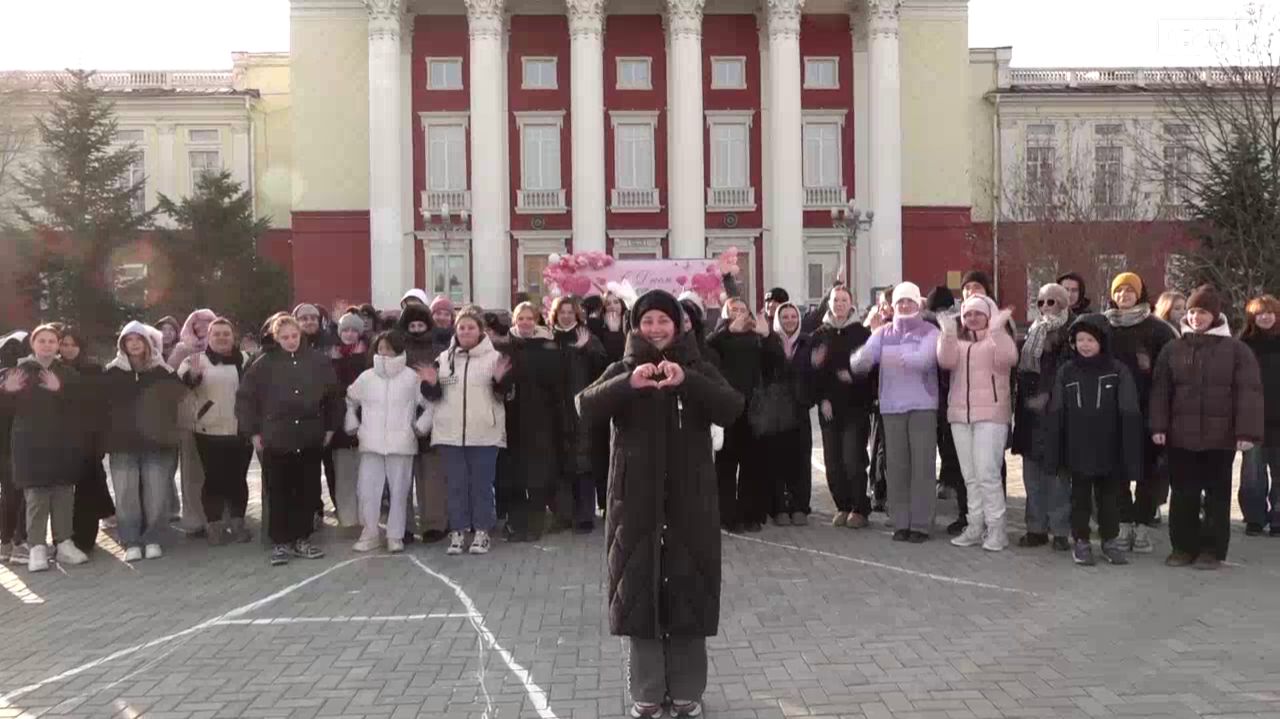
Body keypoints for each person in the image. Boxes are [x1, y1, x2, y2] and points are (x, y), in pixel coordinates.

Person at [577, 290, 743, 719]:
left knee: (689, 588)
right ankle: (647, 692)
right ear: (636, 326)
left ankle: (687, 691)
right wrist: (627, 384)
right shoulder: (623, 367)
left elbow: (731, 407)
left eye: (663, 321)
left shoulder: (697, 364)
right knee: (640, 591)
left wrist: (688, 381)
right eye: (647, 321)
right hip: (635, 502)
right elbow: (585, 406)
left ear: (679, 325)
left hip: (691, 500)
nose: (655, 329)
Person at [1150, 286, 1263, 569]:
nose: (1196, 317)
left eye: (1202, 312)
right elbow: (1160, 391)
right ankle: (1182, 548)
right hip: (1180, 435)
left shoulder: (1236, 350)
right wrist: (1158, 426)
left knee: (1216, 495)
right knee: (1183, 494)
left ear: (1215, 315)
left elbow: (1249, 392)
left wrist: (1246, 432)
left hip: (1220, 438)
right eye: (1191, 312)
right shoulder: (1173, 348)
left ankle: (1212, 550)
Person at [236, 314, 342, 566]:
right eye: (285, 337)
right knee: (279, 492)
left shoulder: (317, 361)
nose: (291, 341)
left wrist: (330, 428)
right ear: (276, 338)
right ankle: (280, 542)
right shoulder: (263, 364)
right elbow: (245, 400)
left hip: (309, 437)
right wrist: (253, 433)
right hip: (277, 438)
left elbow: (334, 396)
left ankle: (302, 539)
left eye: (294, 336)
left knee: (307, 490)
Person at [1041, 315, 1141, 566]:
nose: (1085, 345)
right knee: (1080, 499)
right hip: (1077, 448)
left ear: (1102, 342)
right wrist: (1055, 448)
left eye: (1090, 340)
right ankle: (1081, 541)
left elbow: (1129, 410)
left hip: (1109, 447)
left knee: (1109, 500)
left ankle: (1109, 541)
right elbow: (1056, 411)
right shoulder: (1067, 371)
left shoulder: (1117, 370)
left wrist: (1128, 448)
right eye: (1080, 340)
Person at [852, 282, 940, 541]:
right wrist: (866, 347)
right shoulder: (883, 333)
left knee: (922, 467)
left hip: (922, 406)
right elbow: (860, 362)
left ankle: (921, 524)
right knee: (897, 467)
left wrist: (891, 354)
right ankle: (901, 522)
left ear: (918, 304)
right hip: (891, 407)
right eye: (900, 301)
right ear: (893, 305)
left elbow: (923, 360)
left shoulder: (930, 331)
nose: (904, 305)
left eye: (909, 301)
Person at [419, 309, 511, 555]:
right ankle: (458, 532)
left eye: (471, 327)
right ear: (455, 331)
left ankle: (481, 532)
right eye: (462, 328)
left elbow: (505, 394)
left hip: (484, 433)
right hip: (449, 434)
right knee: (455, 486)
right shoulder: (444, 359)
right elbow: (434, 396)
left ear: (480, 331)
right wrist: (430, 384)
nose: (466, 331)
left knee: (481, 486)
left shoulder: (494, 358)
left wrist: (500, 381)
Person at [0, 325, 86, 572]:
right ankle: (36, 547)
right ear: (33, 344)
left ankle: (64, 543)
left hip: (62, 442)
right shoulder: (19, 372)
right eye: (42, 340)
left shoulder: (68, 373)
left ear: (58, 345)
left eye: (51, 341)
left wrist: (61, 390)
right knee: (36, 496)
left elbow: (81, 406)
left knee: (63, 493)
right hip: (29, 443)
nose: (47, 345)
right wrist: (6, 392)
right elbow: (6, 412)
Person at [1103, 271, 1177, 553]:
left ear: (1140, 293)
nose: (1124, 296)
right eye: (1119, 291)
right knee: (1117, 471)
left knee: (1149, 472)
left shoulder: (1159, 330)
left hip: (1148, 412)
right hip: (1112, 412)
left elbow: (1170, 374)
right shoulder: (1103, 325)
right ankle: (1123, 523)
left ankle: (1143, 525)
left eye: (1130, 291)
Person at [937, 295, 1018, 551]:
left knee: (987, 475)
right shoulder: (958, 343)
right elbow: (945, 361)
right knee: (970, 477)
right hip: (960, 416)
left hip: (991, 416)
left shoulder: (997, 339)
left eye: (978, 313)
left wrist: (997, 329)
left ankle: (997, 529)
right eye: (967, 314)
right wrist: (947, 334)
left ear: (988, 315)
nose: (972, 318)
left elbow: (1009, 358)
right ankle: (975, 525)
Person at [101, 322, 185, 563]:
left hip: (157, 445)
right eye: (129, 340)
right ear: (123, 344)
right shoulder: (112, 372)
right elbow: (102, 409)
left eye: (139, 339)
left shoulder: (163, 371)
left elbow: (178, 403)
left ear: (148, 343)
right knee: (126, 495)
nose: (135, 344)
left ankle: (153, 538)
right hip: (123, 445)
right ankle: (131, 541)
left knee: (156, 494)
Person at [346, 331, 428, 553]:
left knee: (400, 492)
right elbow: (350, 400)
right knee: (367, 491)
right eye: (381, 348)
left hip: (401, 443)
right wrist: (353, 422)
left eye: (389, 348)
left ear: (398, 350)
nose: (384, 352)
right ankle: (370, 533)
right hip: (371, 442)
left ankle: (395, 535)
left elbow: (429, 404)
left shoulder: (411, 377)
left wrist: (420, 426)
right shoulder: (366, 377)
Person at [177, 318, 254, 545]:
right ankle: (214, 526)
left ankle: (238, 524)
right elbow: (183, 384)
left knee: (238, 480)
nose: (221, 337)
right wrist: (194, 376)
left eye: (226, 333)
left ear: (233, 336)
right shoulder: (194, 360)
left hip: (241, 430)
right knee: (213, 480)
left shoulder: (247, 360)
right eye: (216, 334)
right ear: (208, 337)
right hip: (209, 430)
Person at [1011, 284, 1074, 550]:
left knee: (1057, 478)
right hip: (1030, 414)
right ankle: (1035, 528)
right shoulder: (1032, 332)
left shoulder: (1070, 334)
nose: (1045, 307)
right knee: (1031, 476)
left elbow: (1067, 372)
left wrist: (1047, 395)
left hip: (1056, 415)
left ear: (1064, 304)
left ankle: (1060, 531)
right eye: (1041, 302)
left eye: (1052, 302)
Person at [807, 286, 874, 528]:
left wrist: (853, 378)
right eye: (836, 300)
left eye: (844, 300)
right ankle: (842, 505)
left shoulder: (862, 333)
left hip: (855, 407)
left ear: (851, 304)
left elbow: (871, 370)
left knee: (853, 459)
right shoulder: (819, 334)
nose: (839, 304)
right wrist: (821, 398)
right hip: (829, 409)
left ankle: (859, 508)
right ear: (829, 303)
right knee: (833, 462)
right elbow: (812, 373)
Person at [707, 297, 773, 533]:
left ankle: (750, 514)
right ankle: (726, 515)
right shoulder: (719, 337)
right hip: (728, 406)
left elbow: (776, 362)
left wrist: (768, 336)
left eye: (742, 309)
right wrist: (727, 331)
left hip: (754, 408)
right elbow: (705, 351)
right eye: (733, 309)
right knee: (725, 465)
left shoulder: (757, 336)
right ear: (725, 314)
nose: (738, 313)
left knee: (752, 464)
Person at [503, 302, 566, 541]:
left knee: (537, 474)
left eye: (530, 318)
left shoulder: (547, 345)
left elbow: (556, 382)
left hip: (541, 418)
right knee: (516, 474)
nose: (525, 323)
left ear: (536, 320)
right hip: (512, 417)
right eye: (521, 318)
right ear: (515, 321)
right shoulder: (505, 345)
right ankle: (516, 524)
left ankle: (535, 525)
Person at [549, 296, 607, 533]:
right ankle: (564, 514)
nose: (566, 316)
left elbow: (602, 368)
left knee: (583, 461)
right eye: (561, 312)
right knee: (559, 462)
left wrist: (585, 349)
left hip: (581, 407)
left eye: (569, 312)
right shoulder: (549, 338)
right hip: (555, 408)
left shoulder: (587, 337)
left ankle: (585, 515)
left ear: (576, 314)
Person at [398, 302, 451, 543]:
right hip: (402, 418)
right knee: (402, 478)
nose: (417, 329)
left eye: (421, 325)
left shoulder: (439, 350)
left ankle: (435, 524)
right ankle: (404, 525)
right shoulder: (398, 351)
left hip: (433, 419)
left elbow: (446, 382)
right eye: (412, 326)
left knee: (432, 477)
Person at [58, 327, 114, 555]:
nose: (68, 349)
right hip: (61, 439)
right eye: (64, 344)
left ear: (81, 347)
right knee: (63, 492)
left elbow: (102, 404)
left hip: (89, 438)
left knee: (87, 488)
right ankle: (64, 535)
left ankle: (85, 538)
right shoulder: (52, 369)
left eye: (73, 344)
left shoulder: (93, 369)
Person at [168, 308, 219, 537]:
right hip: (189, 417)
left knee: (215, 470)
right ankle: (194, 518)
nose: (201, 326)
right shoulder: (181, 350)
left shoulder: (222, 348)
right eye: (196, 323)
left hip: (219, 417)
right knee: (191, 471)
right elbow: (170, 382)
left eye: (207, 322)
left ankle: (217, 517)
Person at [766, 301, 815, 525]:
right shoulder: (769, 342)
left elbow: (814, 373)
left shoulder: (807, 342)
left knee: (801, 460)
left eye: (793, 316)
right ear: (778, 319)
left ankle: (800, 506)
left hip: (800, 409)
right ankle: (778, 507)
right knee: (776, 459)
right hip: (775, 411)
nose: (789, 320)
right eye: (784, 317)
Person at [925, 286, 966, 534]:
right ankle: (948, 482)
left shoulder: (938, 325)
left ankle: (947, 482)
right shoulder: (949, 324)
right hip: (943, 390)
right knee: (947, 441)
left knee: (945, 441)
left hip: (942, 391)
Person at [1240, 295, 1280, 537]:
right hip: (1251, 418)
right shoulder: (1242, 344)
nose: (1265, 317)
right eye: (1259, 313)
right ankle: (1254, 517)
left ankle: (1277, 518)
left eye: (1269, 312)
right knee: (1252, 473)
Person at [325, 311, 369, 528]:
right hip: (339, 424)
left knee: (364, 475)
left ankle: (365, 517)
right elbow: (334, 388)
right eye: (346, 330)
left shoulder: (367, 356)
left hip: (364, 422)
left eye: (354, 330)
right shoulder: (331, 357)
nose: (350, 334)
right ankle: (348, 519)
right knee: (343, 474)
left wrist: (355, 359)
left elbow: (362, 387)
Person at [0, 332, 30, 565]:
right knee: (20, 494)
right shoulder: (23, 375)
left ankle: (6, 542)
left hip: (9, 445)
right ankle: (18, 543)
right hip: (17, 444)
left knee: (10, 494)